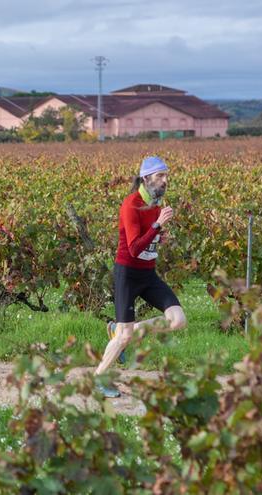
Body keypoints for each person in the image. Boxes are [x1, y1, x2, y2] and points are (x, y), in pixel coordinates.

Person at [96, 156, 187, 398]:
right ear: (146, 178)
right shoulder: (131, 205)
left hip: (148, 274)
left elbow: (148, 237)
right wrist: (157, 226)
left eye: (167, 176)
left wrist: (160, 235)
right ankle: (100, 376)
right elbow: (135, 247)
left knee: (177, 320)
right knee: (124, 337)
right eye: (160, 176)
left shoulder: (155, 204)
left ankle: (123, 330)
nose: (165, 180)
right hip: (127, 274)